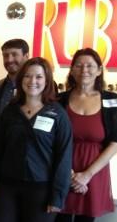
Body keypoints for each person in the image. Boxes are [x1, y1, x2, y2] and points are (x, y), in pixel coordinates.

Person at [0, 57, 73, 222]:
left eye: (38, 77)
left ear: (47, 80)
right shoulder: (10, 111)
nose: (32, 81)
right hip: (6, 187)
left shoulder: (58, 114)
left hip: (41, 189)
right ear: (21, 79)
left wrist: (57, 196)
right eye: (27, 76)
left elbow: (64, 158)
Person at [55, 48, 117, 222]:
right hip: (63, 170)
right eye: (79, 65)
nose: (84, 70)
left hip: (94, 173)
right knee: (60, 218)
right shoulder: (58, 100)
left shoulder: (112, 100)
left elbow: (115, 142)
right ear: (72, 70)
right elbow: (51, 140)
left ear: (99, 70)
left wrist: (87, 175)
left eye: (90, 66)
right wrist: (69, 173)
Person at [0, 39, 30, 169]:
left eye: (14, 54)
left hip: (29, 157)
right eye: (5, 55)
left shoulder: (38, 86)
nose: (9, 59)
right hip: (0, 156)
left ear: (26, 56)